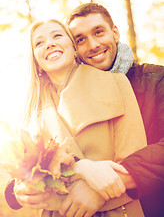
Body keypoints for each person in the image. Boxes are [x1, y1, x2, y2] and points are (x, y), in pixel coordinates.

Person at [5, 19, 147, 217]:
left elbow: (134, 162)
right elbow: (29, 177)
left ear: (73, 47)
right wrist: (80, 168)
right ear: (35, 59)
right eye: (39, 43)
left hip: (117, 209)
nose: (49, 44)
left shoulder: (115, 83)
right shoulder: (30, 110)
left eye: (57, 35)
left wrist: (96, 193)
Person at [66, 2, 164, 217]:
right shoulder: (70, 100)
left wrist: (106, 186)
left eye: (98, 32)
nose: (92, 45)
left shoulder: (157, 79)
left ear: (115, 33)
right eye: (80, 39)